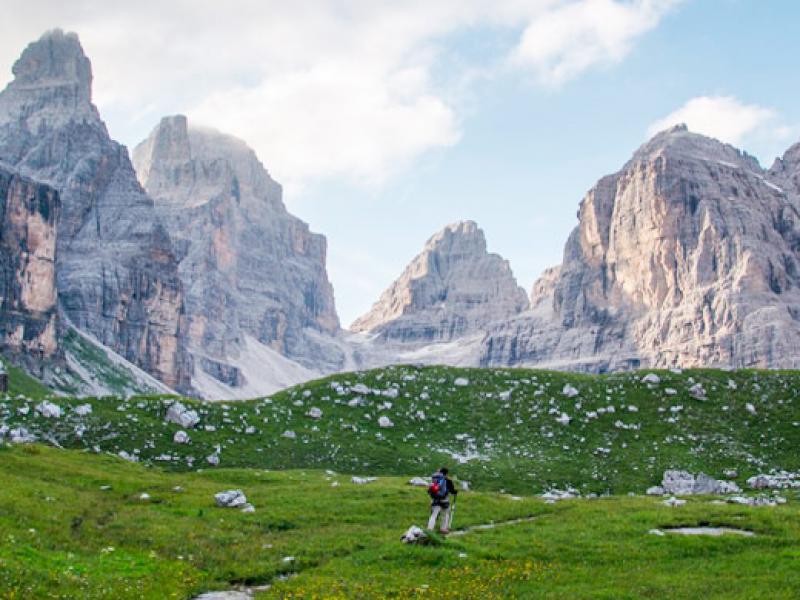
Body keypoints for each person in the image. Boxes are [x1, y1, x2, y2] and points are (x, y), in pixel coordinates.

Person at [427, 467, 457, 533]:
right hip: (444, 500)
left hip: (435, 499)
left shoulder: (435, 479)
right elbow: (452, 491)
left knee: (433, 515)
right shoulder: (448, 480)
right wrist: (455, 492)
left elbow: (429, 490)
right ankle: (443, 529)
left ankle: (429, 529)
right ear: (446, 473)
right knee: (446, 514)